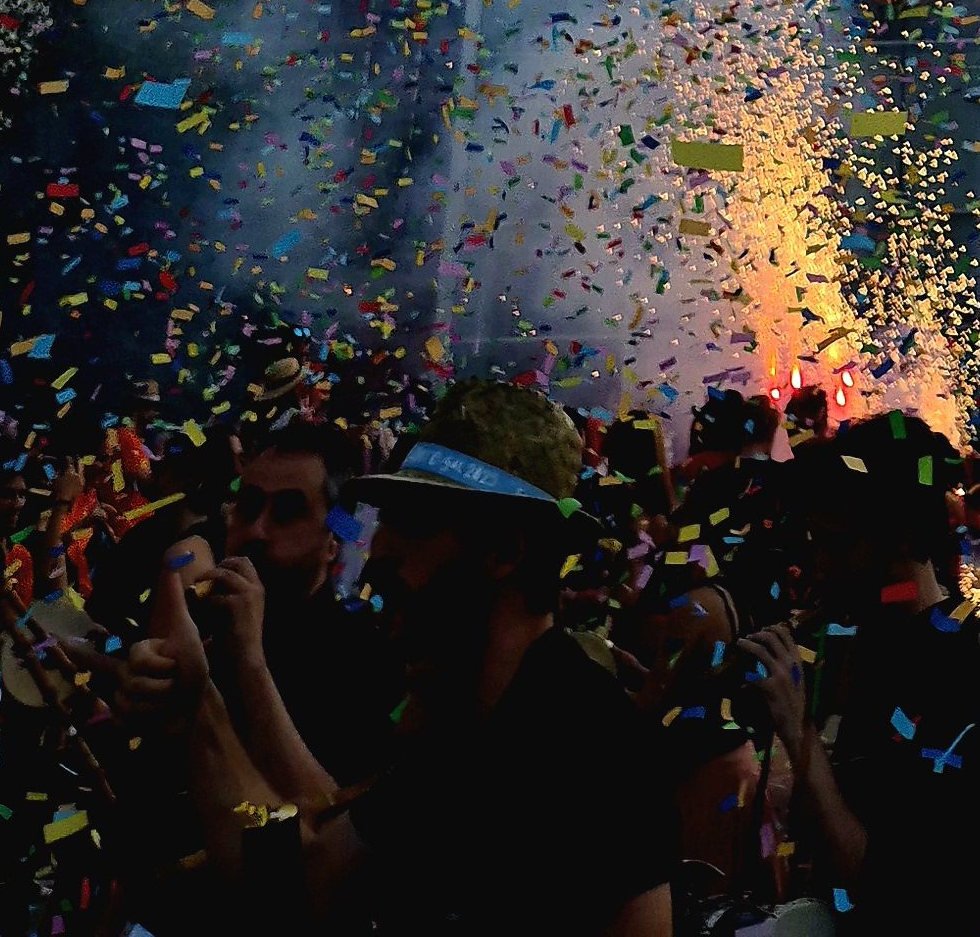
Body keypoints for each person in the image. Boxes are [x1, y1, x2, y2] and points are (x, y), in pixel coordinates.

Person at [150, 377, 673, 937]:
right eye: (387, 516)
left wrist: (205, 710)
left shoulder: (580, 742)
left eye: (415, 521)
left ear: (503, 551)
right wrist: (198, 704)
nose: (381, 550)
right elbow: (313, 863)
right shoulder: (466, 719)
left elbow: (301, 887)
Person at [745, 412, 980, 937]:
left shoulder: (956, 685)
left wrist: (799, 735)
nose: (819, 567)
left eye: (834, 543)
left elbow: (886, 893)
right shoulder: (870, 641)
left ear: (896, 541)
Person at [209, 417, 393, 785]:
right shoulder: (206, 618)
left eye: (288, 511)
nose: (257, 530)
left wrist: (249, 660)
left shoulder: (367, 661)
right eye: (248, 505)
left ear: (335, 541)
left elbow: (327, 818)